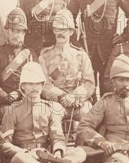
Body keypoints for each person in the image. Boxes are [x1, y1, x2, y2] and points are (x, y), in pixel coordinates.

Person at [0, 62, 86, 163]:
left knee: (79, 152)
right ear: (22, 86)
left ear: (42, 85)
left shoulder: (51, 108)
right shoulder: (12, 111)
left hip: (47, 155)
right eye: (30, 84)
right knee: (20, 158)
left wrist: (58, 152)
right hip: (24, 157)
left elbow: (57, 136)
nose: (34, 88)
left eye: (38, 84)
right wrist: (26, 152)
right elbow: (5, 145)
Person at [38, 8, 95, 140]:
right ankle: (58, 147)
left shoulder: (81, 55)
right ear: (53, 31)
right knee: (53, 115)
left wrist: (75, 96)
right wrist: (62, 97)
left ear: (71, 31)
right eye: (57, 29)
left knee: (88, 114)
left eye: (64, 29)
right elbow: (44, 84)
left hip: (78, 102)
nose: (60, 33)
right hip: (56, 101)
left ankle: (82, 148)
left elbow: (89, 83)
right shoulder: (45, 56)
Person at [0, 8, 36, 123]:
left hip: (28, 99)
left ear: (24, 33)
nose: (15, 35)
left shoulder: (30, 54)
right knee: (11, 113)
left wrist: (22, 93)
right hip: (5, 102)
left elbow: (38, 81)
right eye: (12, 31)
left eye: (19, 31)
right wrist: (5, 97)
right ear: (7, 32)